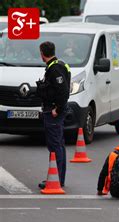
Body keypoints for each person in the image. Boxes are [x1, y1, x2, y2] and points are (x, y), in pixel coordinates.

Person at [36, 41, 71, 189]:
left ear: (42, 54)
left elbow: (63, 92)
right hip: (52, 110)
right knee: (58, 145)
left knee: (55, 145)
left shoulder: (55, 69)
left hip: (54, 112)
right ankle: (58, 177)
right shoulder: (56, 65)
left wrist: (58, 108)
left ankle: (56, 179)